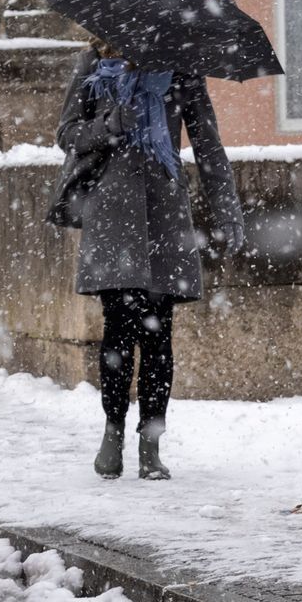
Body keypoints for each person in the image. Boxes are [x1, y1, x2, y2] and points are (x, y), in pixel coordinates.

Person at [53, 44, 243, 481]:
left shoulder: (182, 68)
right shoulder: (94, 65)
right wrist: (107, 125)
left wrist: (227, 208)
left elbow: (208, 145)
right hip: (112, 217)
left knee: (159, 334)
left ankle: (150, 443)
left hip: (164, 217)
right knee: (118, 328)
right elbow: (67, 135)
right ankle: (112, 433)